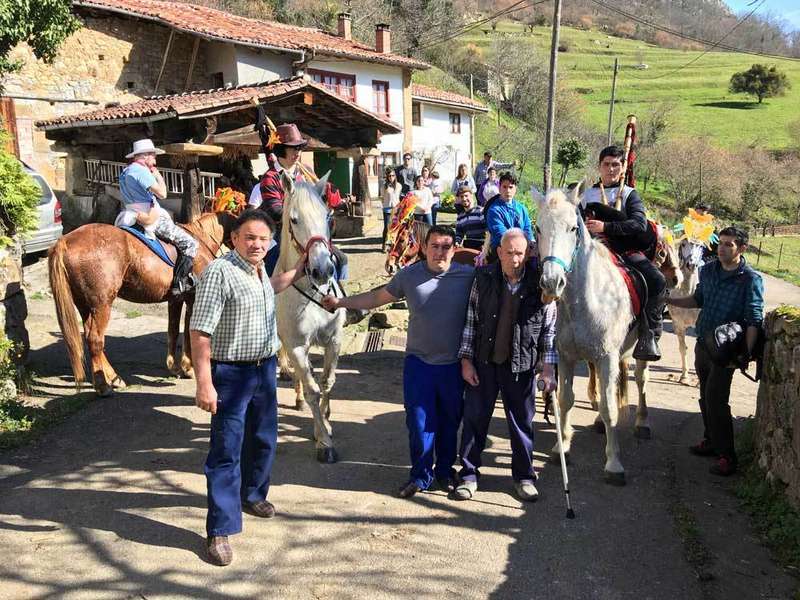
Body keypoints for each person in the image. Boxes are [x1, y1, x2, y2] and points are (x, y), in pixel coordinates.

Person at [190, 209, 309, 566]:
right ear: (234, 239)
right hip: (231, 374)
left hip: (264, 370)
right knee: (226, 450)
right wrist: (204, 383)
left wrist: (298, 271)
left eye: (263, 239)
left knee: (263, 438)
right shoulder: (219, 272)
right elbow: (199, 332)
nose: (257, 244)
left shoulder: (258, 271)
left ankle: (253, 494)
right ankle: (220, 529)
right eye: (250, 237)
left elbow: (267, 289)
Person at [321, 226, 474, 498]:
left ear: (455, 248)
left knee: (450, 423)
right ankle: (420, 475)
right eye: (435, 246)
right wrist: (341, 302)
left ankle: (444, 472)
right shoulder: (409, 276)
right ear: (424, 247)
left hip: (453, 365)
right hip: (419, 364)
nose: (440, 251)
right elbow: (377, 297)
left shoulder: (468, 276)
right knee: (418, 422)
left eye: (446, 246)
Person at [456, 228, 557, 501]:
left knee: (521, 423)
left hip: (521, 366)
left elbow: (549, 330)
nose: (514, 258)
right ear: (499, 253)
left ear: (528, 255)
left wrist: (548, 368)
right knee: (475, 419)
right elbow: (470, 322)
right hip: (484, 361)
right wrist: (466, 361)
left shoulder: (541, 285)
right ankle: (468, 474)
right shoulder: (484, 278)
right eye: (509, 252)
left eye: (520, 253)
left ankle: (524, 477)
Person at [666, 226, 764, 477]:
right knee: (704, 395)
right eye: (720, 243)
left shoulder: (750, 279)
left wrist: (747, 353)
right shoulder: (707, 271)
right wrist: (669, 301)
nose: (722, 248)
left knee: (716, 400)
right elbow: (698, 300)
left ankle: (727, 457)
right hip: (704, 344)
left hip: (727, 350)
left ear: (741, 249)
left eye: (729, 244)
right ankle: (710, 441)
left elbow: (754, 318)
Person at [580, 145, 666, 361]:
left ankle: (648, 335)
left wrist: (606, 227)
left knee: (656, 280)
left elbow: (638, 224)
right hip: (591, 250)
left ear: (622, 168)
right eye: (606, 164)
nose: (610, 169)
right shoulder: (587, 194)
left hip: (624, 251)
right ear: (599, 167)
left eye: (615, 165)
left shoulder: (629, 194)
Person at [116, 138, 199, 296]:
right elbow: (162, 193)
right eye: (153, 156)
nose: (155, 159)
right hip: (149, 215)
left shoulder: (126, 171)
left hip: (129, 213)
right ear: (145, 156)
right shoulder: (140, 171)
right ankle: (180, 284)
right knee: (190, 243)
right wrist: (158, 176)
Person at [248, 123, 308, 276]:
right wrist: (302, 215)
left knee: (335, 257)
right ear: (281, 150)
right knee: (275, 257)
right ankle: (267, 293)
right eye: (293, 148)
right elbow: (276, 211)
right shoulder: (270, 178)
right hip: (272, 232)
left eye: (299, 148)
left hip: (297, 228)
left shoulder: (301, 176)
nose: (298, 152)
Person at [484, 172, 533, 257]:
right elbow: (501, 234)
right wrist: (520, 246)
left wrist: (530, 243)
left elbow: (527, 229)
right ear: (499, 188)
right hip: (502, 251)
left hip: (523, 248)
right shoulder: (494, 210)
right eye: (504, 187)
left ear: (515, 189)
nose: (508, 190)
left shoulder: (522, 208)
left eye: (511, 187)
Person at [454, 187, 487, 251]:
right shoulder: (460, 217)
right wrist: (457, 242)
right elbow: (459, 234)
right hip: (468, 246)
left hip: (482, 246)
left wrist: (486, 247)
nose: (464, 199)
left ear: (471, 196)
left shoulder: (481, 211)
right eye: (461, 196)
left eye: (466, 196)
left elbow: (489, 231)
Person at [382, 169, 402, 250]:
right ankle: (384, 244)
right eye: (389, 176)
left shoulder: (399, 186)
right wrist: (384, 205)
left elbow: (398, 197)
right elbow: (382, 197)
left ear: (395, 176)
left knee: (394, 227)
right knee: (387, 227)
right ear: (387, 177)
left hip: (396, 208)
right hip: (387, 208)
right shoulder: (384, 186)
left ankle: (393, 245)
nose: (391, 177)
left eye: (393, 175)